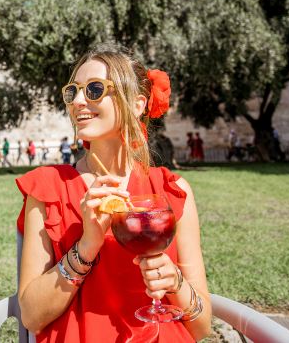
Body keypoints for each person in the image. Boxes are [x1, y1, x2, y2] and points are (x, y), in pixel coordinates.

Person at [16, 44, 211, 342]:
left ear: (136, 104)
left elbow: (202, 327)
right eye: (73, 91)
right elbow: (30, 316)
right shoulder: (47, 188)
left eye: (94, 89)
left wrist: (176, 282)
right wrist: (86, 247)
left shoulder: (173, 190)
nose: (78, 101)